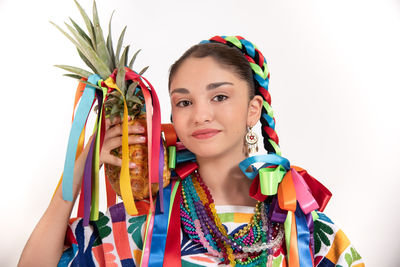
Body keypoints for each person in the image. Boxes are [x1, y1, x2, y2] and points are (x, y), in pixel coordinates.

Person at [19, 36, 364, 267]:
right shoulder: (143, 221)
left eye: (219, 96)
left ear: (253, 110)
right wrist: (77, 172)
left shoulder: (301, 226)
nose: (200, 114)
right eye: (184, 101)